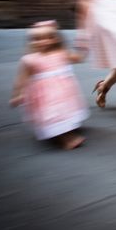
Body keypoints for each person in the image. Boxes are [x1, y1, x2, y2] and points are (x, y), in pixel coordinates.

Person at [10, 20, 88, 150]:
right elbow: (22, 78)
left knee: (65, 111)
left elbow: (78, 59)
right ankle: (66, 139)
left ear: (55, 39)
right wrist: (18, 94)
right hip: (45, 95)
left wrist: (83, 46)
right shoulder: (29, 59)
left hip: (65, 92)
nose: (41, 42)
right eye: (36, 39)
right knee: (54, 115)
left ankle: (68, 128)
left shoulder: (61, 53)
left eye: (46, 38)